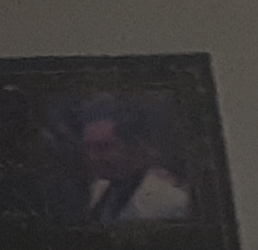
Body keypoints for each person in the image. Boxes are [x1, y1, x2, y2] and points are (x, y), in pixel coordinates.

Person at [53, 94, 193, 224]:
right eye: (88, 147)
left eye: (103, 147)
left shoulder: (172, 203)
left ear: (134, 146)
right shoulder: (99, 187)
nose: (92, 157)